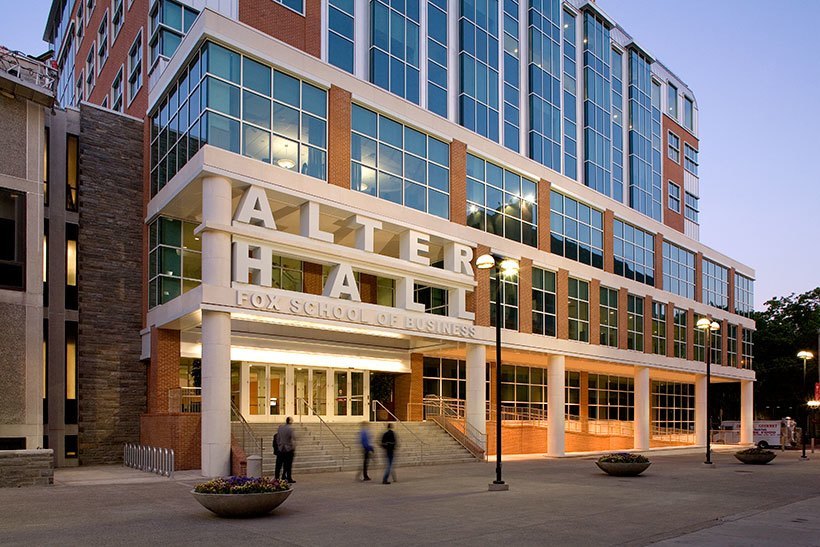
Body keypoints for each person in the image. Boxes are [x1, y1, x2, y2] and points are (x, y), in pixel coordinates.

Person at [277, 417, 296, 483]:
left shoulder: (280, 428)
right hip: (288, 449)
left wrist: (279, 445)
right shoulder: (290, 429)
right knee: (288, 464)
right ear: (290, 421)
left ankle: (277, 477)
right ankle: (289, 477)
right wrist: (293, 448)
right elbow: (293, 439)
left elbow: (278, 437)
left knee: (279, 465)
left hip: (281, 448)